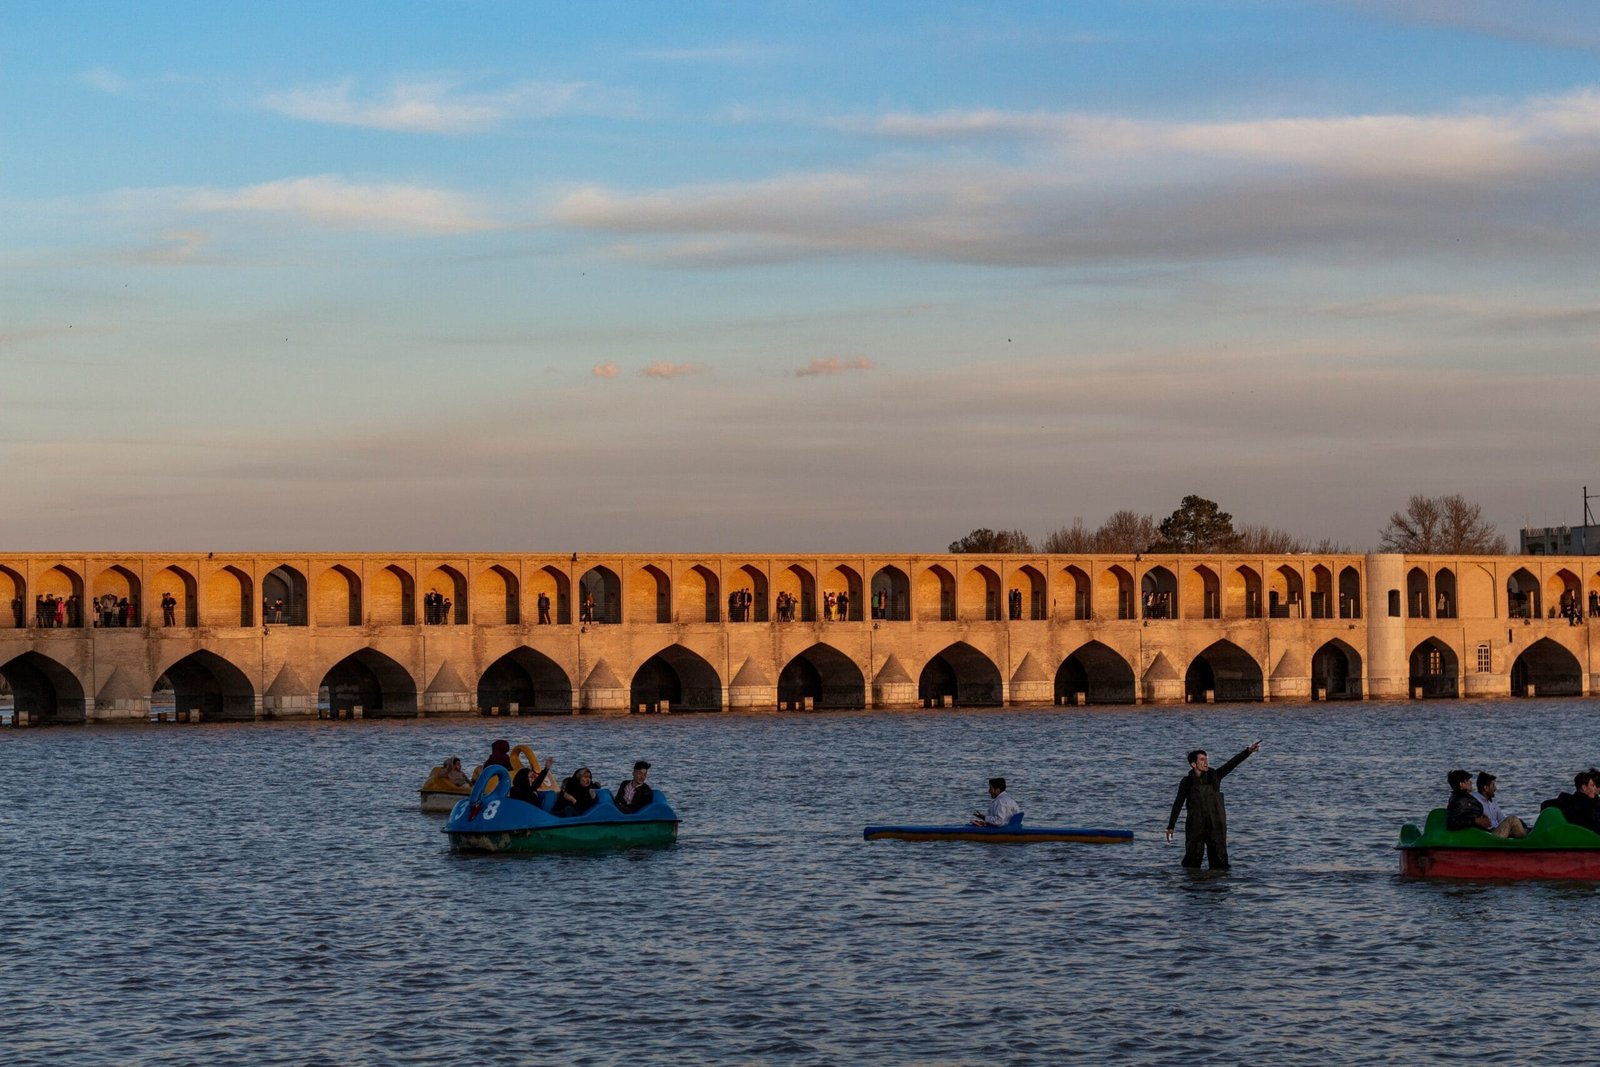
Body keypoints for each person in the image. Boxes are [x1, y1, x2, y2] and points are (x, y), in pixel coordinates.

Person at [1165, 741, 1261, 869]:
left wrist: (1247, 751)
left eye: (1206, 759)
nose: (1206, 762)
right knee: (1192, 862)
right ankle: (1191, 885)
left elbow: (1231, 764)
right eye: (1202, 759)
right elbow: (1178, 803)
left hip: (1216, 825)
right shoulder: (1187, 781)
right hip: (1195, 825)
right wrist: (1171, 826)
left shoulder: (1215, 776)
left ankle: (1217, 886)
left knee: (1219, 863)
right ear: (1194, 764)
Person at [1471, 772, 1528, 838]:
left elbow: (1501, 819)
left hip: (1498, 830)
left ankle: (1529, 841)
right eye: (1493, 786)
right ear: (1486, 788)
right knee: (1512, 819)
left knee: (1520, 824)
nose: (1495, 789)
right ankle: (1530, 843)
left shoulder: (1493, 801)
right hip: (1488, 835)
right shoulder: (1474, 800)